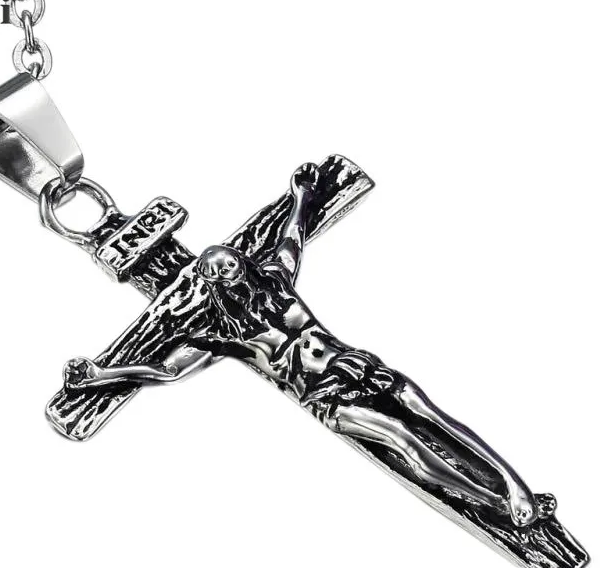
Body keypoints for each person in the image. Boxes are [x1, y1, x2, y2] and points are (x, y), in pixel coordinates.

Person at [65, 164, 540, 527]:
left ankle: (517, 490)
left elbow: (293, 237)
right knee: (403, 439)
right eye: (217, 270)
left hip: (357, 366)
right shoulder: (221, 336)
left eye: (230, 261)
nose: (228, 269)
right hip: (325, 396)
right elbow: (167, 371)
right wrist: (100, 377)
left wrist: (302, 195)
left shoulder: (277, 282)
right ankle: (495, 505)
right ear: (211, 285)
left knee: (431, 414)